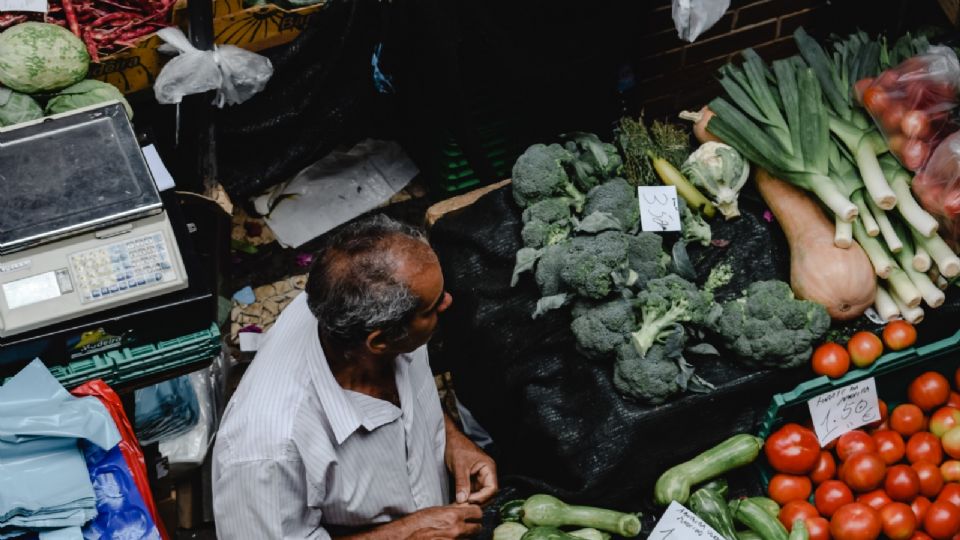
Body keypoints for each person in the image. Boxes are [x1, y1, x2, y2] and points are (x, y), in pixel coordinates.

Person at [212, 215, 497, 539]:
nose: (448, 302)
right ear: (379, 341)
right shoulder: (266, 452)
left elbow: (412, 391)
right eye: (432, 308)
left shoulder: (370, 311)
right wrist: (406, 535)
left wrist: (451, 442)